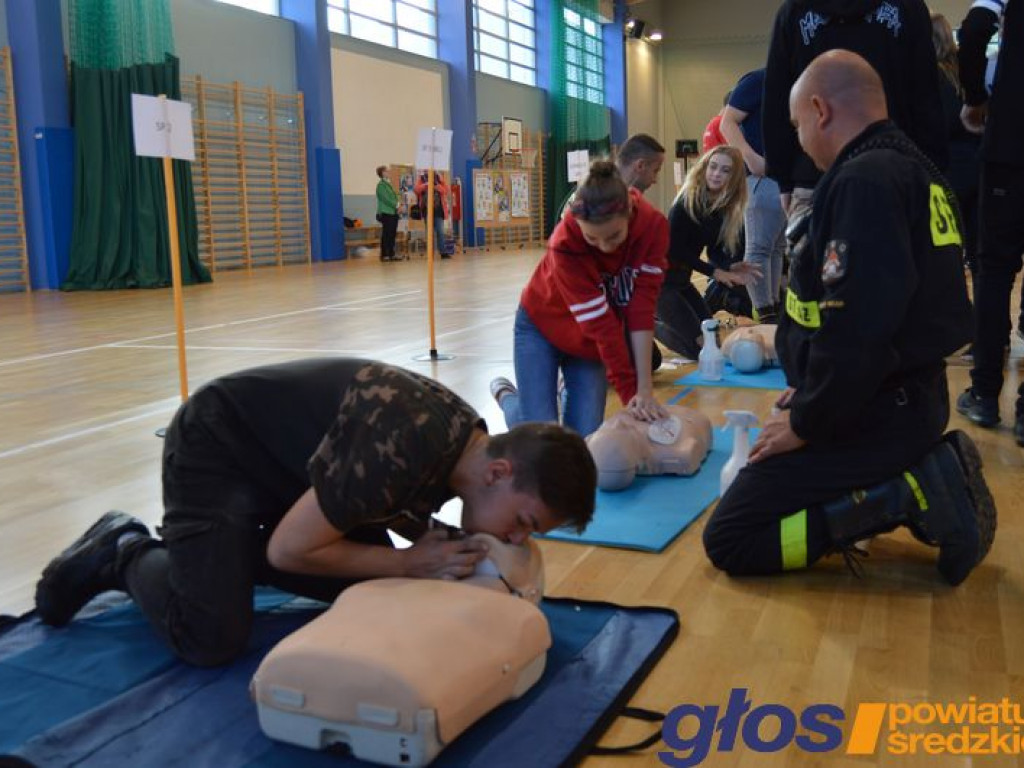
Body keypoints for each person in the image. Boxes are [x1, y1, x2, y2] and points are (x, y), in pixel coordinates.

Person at [34, 359, 597, 666]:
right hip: (219, 449)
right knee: (210, 637)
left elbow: (397, 507)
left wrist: (428, 555)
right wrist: (409, 564)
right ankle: (125, 547)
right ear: (498, 474)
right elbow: (290, 552)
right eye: (523, 523)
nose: (517, 540)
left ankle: (221, 561)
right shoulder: (403, 443)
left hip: (295, 471)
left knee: (372, 595)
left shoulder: (465, 449)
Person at [703, 51, 995, 586]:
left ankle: (904, 491)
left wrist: (809, 421)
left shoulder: (864, 181)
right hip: (900, 397)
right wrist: (812, 388)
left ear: (819, 109)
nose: (798, 139)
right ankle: (907, 477)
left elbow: (859, 329)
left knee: (731, 538)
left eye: (795, 125)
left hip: (876, 413)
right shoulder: (918, 169)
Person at [491, 161, 668, 438]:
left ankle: (560, 392)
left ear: (629, 212)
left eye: (614, 236)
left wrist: (644, 390)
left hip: (586, 345)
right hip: (541, 326)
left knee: (581, 441)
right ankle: (506, 396)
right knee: (542, 441)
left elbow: (641, 308)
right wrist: (630, 394)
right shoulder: (565, 240)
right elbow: (603, 328)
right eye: (592, 239)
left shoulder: (654, 227)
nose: (605, 247)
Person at [763, 0, 948, 222]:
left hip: (814, 174)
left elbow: (777, 96)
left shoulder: (794, 11)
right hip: (896, 168)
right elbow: (925, 95)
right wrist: (932, 167)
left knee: (818, 256)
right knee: (895, 255)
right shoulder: (908, 8)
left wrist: (783, 175)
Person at [954, 0, 1024, 444]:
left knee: (994, 272)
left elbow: (974, 31)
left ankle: (983, 393)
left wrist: (975, 98)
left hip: (1008, 148)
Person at [654, 146, 759, 360]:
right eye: (713, 167)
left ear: (734, 177)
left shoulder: (724, 207)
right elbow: (674, 249)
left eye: (725, 170)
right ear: (704, 168)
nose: (716, 174)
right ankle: (645, 322)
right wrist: (714, 272)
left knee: (712, 341)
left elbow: (714, 250)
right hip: (660, 283)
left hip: (682, 282)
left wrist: (729, 266)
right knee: (699, 351)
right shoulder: (686, 201)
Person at [720, 69, 788, 323]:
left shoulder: (797, 79)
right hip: (762, 178)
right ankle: (764, 310)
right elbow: (727, 121)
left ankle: (772, 307)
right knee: (760, 248)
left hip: (783, 178)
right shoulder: (759, 80)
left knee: (776, 248)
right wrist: (751, 158)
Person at [931, 13, 982, 272]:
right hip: (977, 162)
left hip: (947, 169)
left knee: (948, 250)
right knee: (978, 253)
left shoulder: (932, 77)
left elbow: (945, 122)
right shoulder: (967, 71)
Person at [557, 134, 665, 223]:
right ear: (640, 165)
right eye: (655, 171)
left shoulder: (632, 202)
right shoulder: (591, 195)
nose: (655, 180)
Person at [415, 171, 452, 258]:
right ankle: (430, 253)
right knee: (429, 233)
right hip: (427, 210)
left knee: (440, 232)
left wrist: (436, 187)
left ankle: (443, 252)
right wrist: (426, 185)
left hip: (438, 211)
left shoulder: (439, 178)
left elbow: (446, 190)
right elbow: (416, 189)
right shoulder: (421, 178)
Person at [375, 165, 401, 262]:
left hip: (393, 212)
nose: (389, 172)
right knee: (387, 234)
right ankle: (384, 254)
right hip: (386, 212)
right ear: (382, 173)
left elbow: (394, 197)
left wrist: (399, 205)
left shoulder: (389, 184)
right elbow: (386, 199)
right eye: (387, 171)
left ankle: (391, 254)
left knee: (393, 234)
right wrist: (397, 205)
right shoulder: (381, 185)